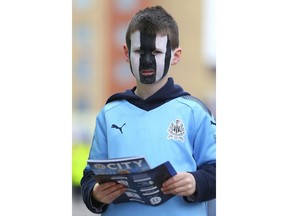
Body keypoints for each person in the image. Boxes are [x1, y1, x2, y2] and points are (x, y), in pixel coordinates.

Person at [80, 5, 216, 216]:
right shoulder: (109, 114)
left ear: (176, 55)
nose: (147, 60)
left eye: (156, 52)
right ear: (126, 53)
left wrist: (196, 181)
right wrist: (96, 194)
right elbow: (90, 177)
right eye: (139, 51)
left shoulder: (195, 113)